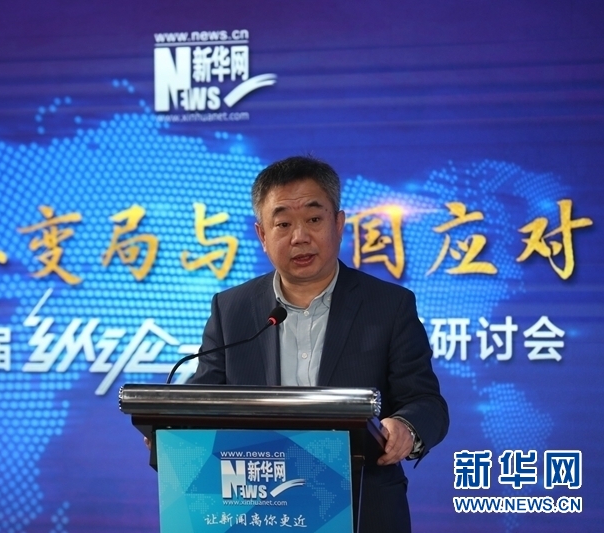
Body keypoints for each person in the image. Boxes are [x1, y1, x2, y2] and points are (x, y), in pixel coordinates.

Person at [187, 155, 449, 533]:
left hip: (362, 508)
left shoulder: (389, 306)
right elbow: (202, 398)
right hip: (257, 508)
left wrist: (406, 427)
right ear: (262, 235)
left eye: (313, 219)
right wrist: (172, 431)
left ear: (338, 224)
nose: (300, 237)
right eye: (283, 224)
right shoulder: (232, 309)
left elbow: (426, 401)